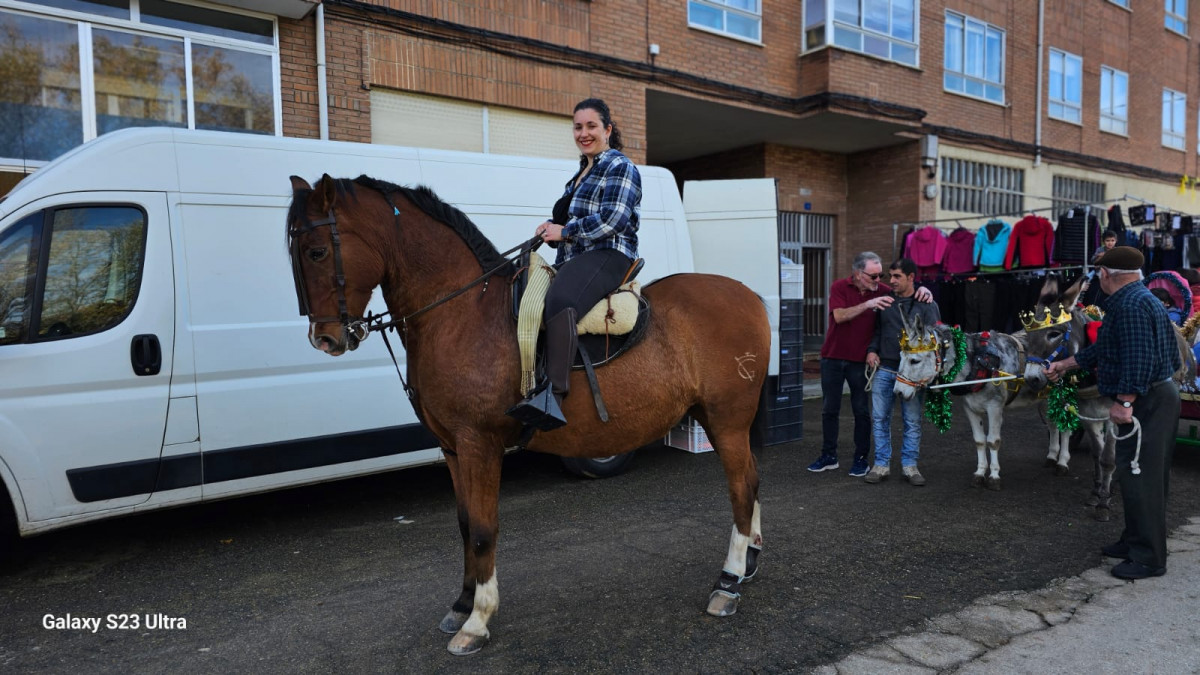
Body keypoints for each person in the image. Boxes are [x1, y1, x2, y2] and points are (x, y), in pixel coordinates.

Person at [1046, 246, 1181, 580]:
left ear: (1106, 275)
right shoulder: (1133, 299)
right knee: (1134, 474)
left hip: (1148, 400)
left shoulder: (1132, 305)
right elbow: (1107, 347)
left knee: (1142, 477)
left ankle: (1148, 558)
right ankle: (1134, 540)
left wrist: (1123, 402)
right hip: (1153, 396)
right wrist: (1065, 364)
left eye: (1098, 274)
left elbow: (1138, 358)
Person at [513, 98, 640, 429]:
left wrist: (565, 231)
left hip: (610, 253)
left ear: (607, 130)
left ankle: (552, 397)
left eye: (591, 126)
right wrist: (549, 230)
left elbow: (613, 219)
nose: (584, 133)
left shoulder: (619, 166)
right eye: (578, 127)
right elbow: (569, 222)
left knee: (561, 299)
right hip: (577, 256)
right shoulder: (581, 173)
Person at [808, 251, 932, 477]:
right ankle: (828, 456)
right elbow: (839, 317)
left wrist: (925, 289)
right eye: (873, 276)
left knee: (862, 411)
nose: (880, 281)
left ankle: (862, 459)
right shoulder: (840, 287)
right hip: (833, 357)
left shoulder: (886, 293)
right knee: (829, 409)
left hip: (860, 361)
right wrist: (868, 304)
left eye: (881, 275)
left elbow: (908, 289)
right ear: (857, 273)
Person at [864, 258, 941, 486]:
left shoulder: (927, 304)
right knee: (879, 418)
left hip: (913, 375)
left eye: (897, 276)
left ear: (911, 277)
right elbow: (877, 331)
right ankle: (881, 465)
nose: (892, 281)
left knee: (912, 420)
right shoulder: (885, 303)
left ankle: (910, 466)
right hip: (884, 368)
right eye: (891, 276)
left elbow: (936, 340)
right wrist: (871, 351)